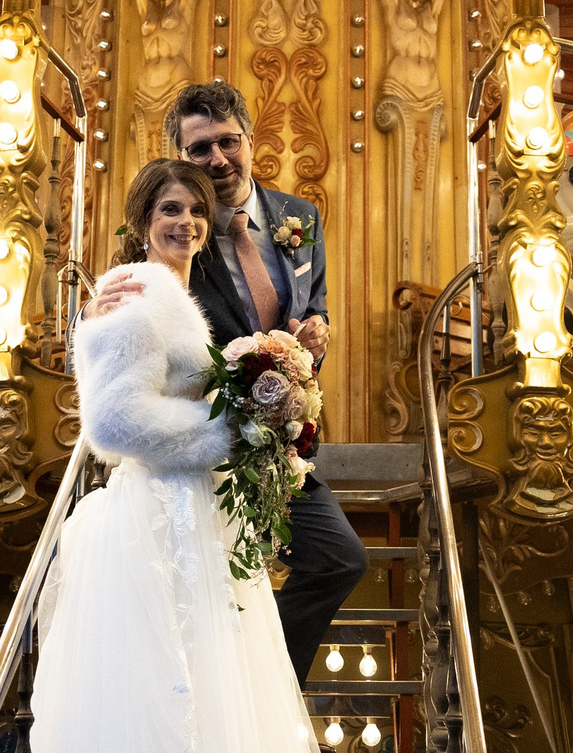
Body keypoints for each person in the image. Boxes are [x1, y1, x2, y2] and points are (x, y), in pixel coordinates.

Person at [3, 158, 373, 753]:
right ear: (142, 218)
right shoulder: (130, 296)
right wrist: (225, 432)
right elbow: (114, 422)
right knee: (153, 725)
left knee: (198, 724)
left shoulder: (178, 295)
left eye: (196, 212)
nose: (186, 222)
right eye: (170, 209)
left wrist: (258, 406)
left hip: (194, 523)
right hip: (152, 525)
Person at [87, 81, 367, 682]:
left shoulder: (300, 218)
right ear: (180, 158)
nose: (217, 159)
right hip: (207, 438)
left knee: (339, 559)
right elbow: (124, 310)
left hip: (277, 438)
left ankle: (268, 685)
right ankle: (230, 694)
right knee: (209, 598)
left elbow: (310, 304)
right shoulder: (181, 224)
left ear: (248, 137)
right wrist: (89, 313)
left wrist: (316, 334)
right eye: (200, 149)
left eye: (228, 142)